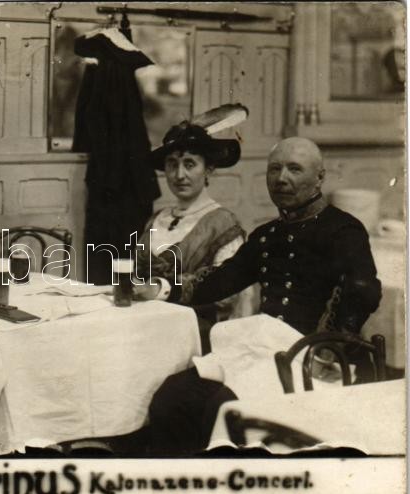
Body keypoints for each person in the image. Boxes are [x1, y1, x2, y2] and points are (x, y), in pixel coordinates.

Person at [136, 137, 382, 455]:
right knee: (171, 397)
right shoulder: (267, 235)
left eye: (295, 169)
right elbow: (223, 278)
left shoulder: (344, 230)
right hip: (263, 352)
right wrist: (162, 289)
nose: (281, 178)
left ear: (319, 177)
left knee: (223, 409)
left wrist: (326, 349)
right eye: (274, 169)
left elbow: (363, 292)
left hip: (318, 360)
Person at [136, 122, 249, 338]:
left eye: (189, 164)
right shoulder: (156, 219)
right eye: (172, 164)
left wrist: (162, 290)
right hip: (145, 323)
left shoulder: (223, 223)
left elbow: (227, 294)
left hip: (196, 330)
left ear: (208, 169)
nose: (179, 175)